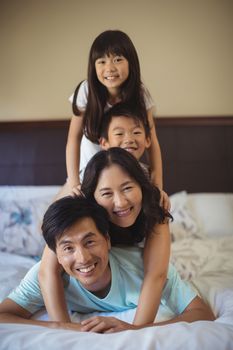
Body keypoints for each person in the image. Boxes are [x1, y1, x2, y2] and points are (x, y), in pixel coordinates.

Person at [0, 196, 215, 333]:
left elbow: (201, 313)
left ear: (108, 239)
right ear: (55, 253)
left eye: (90, 241)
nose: (83, 258)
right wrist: (59, 326)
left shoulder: (147, 268)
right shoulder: (43, 278)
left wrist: (134, 329)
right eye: (68, 248)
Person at [39, 148, 171, 325]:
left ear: (141, 186)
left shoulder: (155, 207)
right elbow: (48, 271)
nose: (121, 202)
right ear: (92, 196)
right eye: (107, 193)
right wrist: (65, 330)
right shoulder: (83, 209)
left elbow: (156, 274)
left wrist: (135, 330)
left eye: (128, 188)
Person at [58, 29, 168, 206]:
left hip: (123, 172)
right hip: (87, 173)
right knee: (49, 223)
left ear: (131, 63)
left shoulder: (139, 94)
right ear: (94, 67)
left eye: (118, 59)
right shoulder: (87, 91)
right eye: (102, 61)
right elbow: (73, 139)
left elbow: (152, 142)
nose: (109, 68)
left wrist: (157, 186)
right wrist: (73, 183)